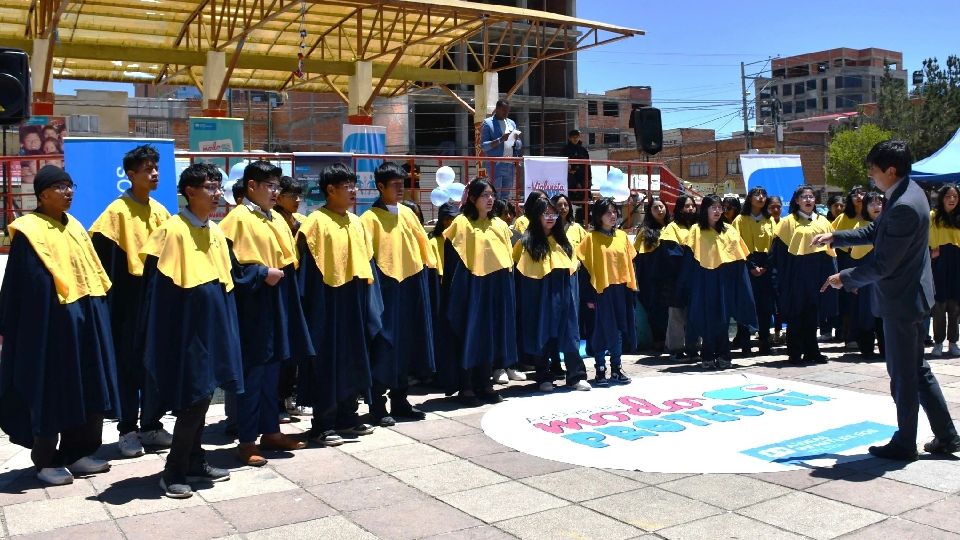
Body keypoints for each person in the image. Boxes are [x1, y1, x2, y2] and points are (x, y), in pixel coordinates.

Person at [816, 139, 960, 461]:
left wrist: (846, 277)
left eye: (873, 168)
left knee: (904, 376)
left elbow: (883, 264)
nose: (870, 174)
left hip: (902, 302)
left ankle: (905, 442)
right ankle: (947, 436)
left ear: (890, 170)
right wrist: (836, 237)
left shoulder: (905, 204)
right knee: (918, 372)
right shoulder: (908, 193)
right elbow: (873, 232)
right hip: (909, 297)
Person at [0, 165, 119, 486]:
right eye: (60, 187)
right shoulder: (28, 231)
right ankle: (46, 460)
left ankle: (78, 452)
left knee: (88, 386)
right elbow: (19, 288)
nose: (69, 192)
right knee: (52, 390)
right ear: (42, 194)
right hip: (51, 331)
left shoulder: (76, 226)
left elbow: (92, 275)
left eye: (70, 186)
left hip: (85, 324)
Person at [138, 164, 242, 498]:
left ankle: (195, 460)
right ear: (190, 192)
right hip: (186, 332)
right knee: (193, 401)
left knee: (206, 394)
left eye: (218, 187)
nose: (217, 194)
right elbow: (158, 293)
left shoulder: (214, 231)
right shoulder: (171, 231)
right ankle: (174, 471)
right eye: (210, 187)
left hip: (213, 327)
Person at [219, 161, 311, 466]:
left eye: (276, 185)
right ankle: (246, 440)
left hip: (277, 300)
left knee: (274, 370)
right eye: (269, 185)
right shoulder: (237, 220)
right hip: (254, 304)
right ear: (251, 187)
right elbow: (230, 266)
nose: (275, 191)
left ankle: (271, 431)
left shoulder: (275, 218)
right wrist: (260, 273)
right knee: (254, 373)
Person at [89, 144, 173, 459]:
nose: (154, 174)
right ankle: (127, 429)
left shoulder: (161, 211)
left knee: (154, 366)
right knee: (128, 367)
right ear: (131, 175)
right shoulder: (115, 214)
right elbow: (106, 266)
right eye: (147, 169)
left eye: (156, 168)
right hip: (127, 305)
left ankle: (151, 424)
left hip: (155, 302)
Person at [296, 163, 381, 446]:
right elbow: (308, 273)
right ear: (330, 190)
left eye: (353, 185)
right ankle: (323, 423)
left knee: (353, 358)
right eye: (347, 187)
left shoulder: (356, 222)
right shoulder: (314, 223)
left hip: (353, 300)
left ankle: (348, 416)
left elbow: (366, 262)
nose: (353, 191)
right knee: (327, 362)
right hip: (326, 302)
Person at [361, 162, 435, 426]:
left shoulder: (408, 213)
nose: (400, 188)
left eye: (402, 183)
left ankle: (401, 400)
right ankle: (378, 405)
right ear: (380, 186)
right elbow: (368, 256)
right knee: (384, 346)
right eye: (394, 184)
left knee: (406, 344)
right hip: (385, 287)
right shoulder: (369, 219)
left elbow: (421, 246)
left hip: (411, 284)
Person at [441, 179, 518, 404]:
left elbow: (506, 258)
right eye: (485, 195)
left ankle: (485, 383)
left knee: (490, 336)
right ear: (473, 199)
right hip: (471, 288)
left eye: (492, 195)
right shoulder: (461, 223)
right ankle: (466, 386)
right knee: (470, 335)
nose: (490, 199)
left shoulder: (500, 225)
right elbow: (453, 262)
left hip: (495, 287)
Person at [513, 196, 591, 392]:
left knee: (570, 334)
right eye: (545, 213)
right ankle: (543, 376)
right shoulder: (525, 243)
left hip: (564, 295)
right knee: (541, 334)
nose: (550, 217)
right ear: (536, 215)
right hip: (538, 296)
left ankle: (576, 375)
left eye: (553, 213)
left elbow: (573, 270)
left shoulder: (563, 243)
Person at [683, 194, 757, 369]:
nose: (717, 211)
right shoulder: (696, 230)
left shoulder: (729, 230)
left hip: (726, 279)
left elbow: (740, 256)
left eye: (719, 207)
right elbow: (690, 258)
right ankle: (707, 355)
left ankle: (725, 355)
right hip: (705, 279)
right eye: (713, 207)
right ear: (705, 210)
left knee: (724, 318)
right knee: (708, 317)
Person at [771, 185, 838, 365]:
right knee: (796, 314)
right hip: (795, 275)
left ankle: (812, 351)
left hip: (817, 274)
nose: (808, 200)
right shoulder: (788, 222)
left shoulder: (823, 221)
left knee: (812, 314)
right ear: (797, 201)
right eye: (804, 197)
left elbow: (830, 251)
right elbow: (779, 254)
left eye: (811, 197)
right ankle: (795, 352)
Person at [577, 198, 637, 386]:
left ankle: (616, 369)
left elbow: (630, 263)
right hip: (600, 291)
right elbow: (584, 270)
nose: (613, 216)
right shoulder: (590, 238)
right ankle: (600, 370)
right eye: (607, 212)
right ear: (598, 216)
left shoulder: (622, 237)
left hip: (620, 289)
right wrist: (587, 296)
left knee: (618, 330)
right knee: (600, 330)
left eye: (614, 212)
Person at [732, 186, 776, 355]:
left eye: (764, 194)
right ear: (749, 198)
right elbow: (736, 244)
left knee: (766, 306)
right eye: (757, 194)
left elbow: (774, 245)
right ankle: (745, 342)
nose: (761, 197)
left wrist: (765, 266)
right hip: (746, 265)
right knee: (747, 303)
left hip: (766, 265)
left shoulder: (770, 220)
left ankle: (765, 341)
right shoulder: (740, 220)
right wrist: (751, 266)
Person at [660, 195, 700, 361]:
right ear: (679, 208)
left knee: (695, 314)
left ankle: (694, 347)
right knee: (676, 315)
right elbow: (672, 254)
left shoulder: (699, 227)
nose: (690, 209)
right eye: (686, 206)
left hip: (697, 279)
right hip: (677, 279)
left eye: (692, 206)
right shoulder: (671, 228)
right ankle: (676, 349)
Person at [832, 186, 868, 349]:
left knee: (868, 299)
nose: (859, 196)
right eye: (855, 194)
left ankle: (868, 335)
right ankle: (850, 335)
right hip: (848, 260)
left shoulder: (874, 216)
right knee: (851, 299)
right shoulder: (843, 218)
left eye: (862, 193)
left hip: (869, 261)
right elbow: (832, 237)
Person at [851, 191, 886, 359]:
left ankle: (886, 348)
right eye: (871, 203)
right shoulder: (860, 227)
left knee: (885, 315)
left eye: (879, 203)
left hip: (886, 280)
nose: (876, 206)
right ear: (865, 207)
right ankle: (866, 348)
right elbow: (855, 258)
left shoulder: (890, 225)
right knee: (866, 314)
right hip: (866, 280)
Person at [634, 197, 672, 351]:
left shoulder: (673, 227)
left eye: (661, 206)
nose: (659, 210)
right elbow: (635, 255)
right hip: (651, 277)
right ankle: (658, 340)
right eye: (655, 208)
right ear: (650, 211)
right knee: (655, 309)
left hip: (670, 276)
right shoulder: (645, 231)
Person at [929, 183, 960, 357]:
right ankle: (938, 342)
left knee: (955, 304)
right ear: (942, 198)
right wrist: (933, 249)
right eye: (948, 196)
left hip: (957, 260)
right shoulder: (933, 215)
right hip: (940, 259)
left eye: (955, 196)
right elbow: (929, 235)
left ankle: (953, 342)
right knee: (939, 304)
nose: (952, 199)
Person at [480, 99, 522, 199]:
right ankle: (494, 213)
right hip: (495, 165)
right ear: (497, 109)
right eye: (504, 110)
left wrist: (516, 141)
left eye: (508, 111)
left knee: (506, 195)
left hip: (509, 165)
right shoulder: (487, 123)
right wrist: (500, 139)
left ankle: (503, 214)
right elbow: (484, 146)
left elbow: (519, 144)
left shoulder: (511, 123)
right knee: (495, 193)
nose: (506, 113)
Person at [562, 129, 591, 221]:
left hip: (582, 179)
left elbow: (588, 166)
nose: (575, 139)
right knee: (569, 199)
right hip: (570, 180)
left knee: (585, 200)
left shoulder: (583, 150)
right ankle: (568, 219)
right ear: (569, 138)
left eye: (577, 137)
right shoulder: (565, 150)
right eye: (573, 137)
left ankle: (583, 220)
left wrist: (589, 179)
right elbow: (562, 165)